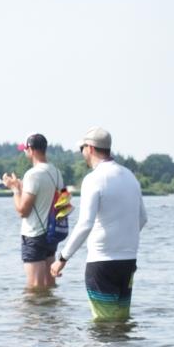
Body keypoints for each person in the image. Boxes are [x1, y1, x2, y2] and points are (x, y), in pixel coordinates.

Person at [51, 127, 148, 321]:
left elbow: (85, 224)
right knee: (121, 322)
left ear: (91, 148)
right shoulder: (130, 176)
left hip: (102, 262)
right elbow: (143, 218)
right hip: (128, 261)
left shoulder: (94, 179)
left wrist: (62, 258)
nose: (82, 153)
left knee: (103, 324)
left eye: (82, 148)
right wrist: (122, 240)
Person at [2, 133, 65, 290]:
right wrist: (22, 187)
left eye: (25, 149)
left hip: (34, 235)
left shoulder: (33, 174)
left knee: (34, 288)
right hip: (51, 234)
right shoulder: (56, 172)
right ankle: (51, 314)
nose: (24, 152)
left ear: (31, 149)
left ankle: (35, 314)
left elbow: (23, 211)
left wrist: (15, 190)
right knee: (49, 285)